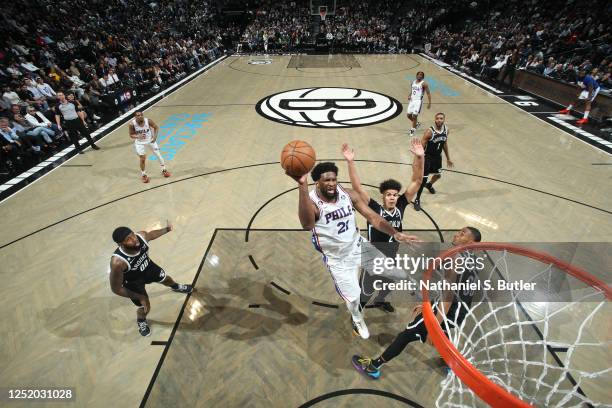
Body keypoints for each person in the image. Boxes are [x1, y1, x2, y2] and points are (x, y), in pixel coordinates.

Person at [287, 155, 420, 340]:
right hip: (338, 258)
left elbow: (373, 217)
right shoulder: (312, 203)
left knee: (392, 270)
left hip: (357, 245)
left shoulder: (347, 194)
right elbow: (307, 224)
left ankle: (414, 284)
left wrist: (394, 233)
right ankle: (357, 318)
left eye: (334, 179)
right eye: (327, 180)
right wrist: (302, 185)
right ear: (317, 182)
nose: (332, 183)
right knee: (355, 297)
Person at [351, 226, 482, 379]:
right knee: (442, 333)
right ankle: (450, 360)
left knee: (406, 334)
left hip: (447, 311)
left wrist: (434, 326)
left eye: (462, 234)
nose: (456, 234)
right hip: (459, 312)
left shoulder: (455, 260)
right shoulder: (473, 260)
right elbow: (456, 292)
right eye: (458, 231)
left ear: (471, 242)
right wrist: (429, 305)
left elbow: (448, 297)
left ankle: (374, 366)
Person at [342, 138, 425, 312]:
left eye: (395, 194)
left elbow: (417, 181)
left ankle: (381, 300)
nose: (393, 197)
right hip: (373, 259)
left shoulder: (401, 205)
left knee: (388, 285)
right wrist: (350, 162)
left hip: (392, 257)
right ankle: (357, 315)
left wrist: (420, 158)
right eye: (389, 195)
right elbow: (357, 188)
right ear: (383, 196)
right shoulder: (373, 209)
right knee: (366, 291)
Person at [109, 221, 193, 337]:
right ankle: (141, 320)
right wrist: (140, 296)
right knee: (145, 307)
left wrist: (166, 229)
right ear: (120, 244)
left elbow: (151, 235)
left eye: (132, 235)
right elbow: (116, 289)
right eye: (128, 239)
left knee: (166, 279)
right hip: (133, 282)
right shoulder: (118, 263)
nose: (134, 239)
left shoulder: (141, 237)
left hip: (148, 268)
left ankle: (175, 286)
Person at [414, 112, 453, 211]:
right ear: (435, 120)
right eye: (437, 118)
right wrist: (417, 161)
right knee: (423, 180)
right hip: (427, 157)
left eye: (441, 118)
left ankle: (429, 185)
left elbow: (444, 144)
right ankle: (417, 199)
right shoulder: (429, 132)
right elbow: (420, 147)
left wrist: (448, 158)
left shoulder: (446, 130)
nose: (439, 120)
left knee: (438, 175)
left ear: (444, 120)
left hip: (437, 157)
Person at [128, 111, 170, 183]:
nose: (140, 116)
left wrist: (155, 137)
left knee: (158, 155)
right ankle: (144, 175)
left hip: (150, 141)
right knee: (142, 159)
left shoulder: (148, 121)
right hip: (139, 143)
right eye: (138, 115)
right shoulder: (132, 124)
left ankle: (164, 170)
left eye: (141, 115)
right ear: (135, 117)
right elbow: (131, 135)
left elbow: (156, 127)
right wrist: (138, 136)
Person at [407, 71, 431, 136]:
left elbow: (428, 93)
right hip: (412, 101)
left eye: (421, 75)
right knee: (408, 115)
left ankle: (412, 130)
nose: (420, 76)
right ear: (416, 75)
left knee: (414, 116)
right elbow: (412, 91)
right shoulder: (413, 82)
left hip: (418, 101)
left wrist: (429, 103)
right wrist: (409, 95)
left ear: (423, 77)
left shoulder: (424, 84)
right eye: (418, 74)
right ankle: (416, 124)